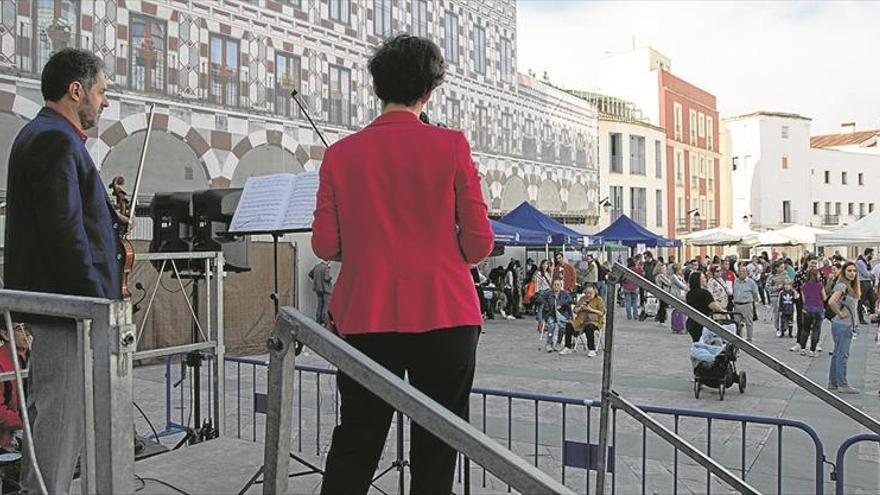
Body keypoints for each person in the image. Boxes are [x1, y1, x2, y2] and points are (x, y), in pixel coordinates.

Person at [311, 35, 494, 495]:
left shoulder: (339, 154)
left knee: (356, 440)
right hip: (446, 314)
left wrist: (366, 246)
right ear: (429, 92)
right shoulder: (452, 146)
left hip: (366, 316)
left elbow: (324, 243)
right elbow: (478, 246)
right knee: (436, 448)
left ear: (377, 89)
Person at [4, 48, 114, 494]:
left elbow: (70, 222)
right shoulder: (55, 139)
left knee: (64, 422)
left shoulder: (48, 135)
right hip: (68, 313)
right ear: (77, 90)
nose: (104, 102)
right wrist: (94, 306)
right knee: (58, 430)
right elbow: (65, 236)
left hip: (64, 310)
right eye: (101, 91)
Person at [826, 262, 861, 394]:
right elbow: (831, 301)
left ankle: (833, 382)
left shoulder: (848, 286)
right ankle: (842, 383)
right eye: (849, 271)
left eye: (854, 271)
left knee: (837, 353)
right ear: (844, 272)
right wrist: (840, 313)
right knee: (842, 354)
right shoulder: (842, 286)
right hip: (843, 325)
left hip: (841, 324)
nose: (852, 273)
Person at [0, 323, 30, 450]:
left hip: (28, 436)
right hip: (5, 443)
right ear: (5, 334)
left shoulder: (37, 357)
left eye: (28, 328)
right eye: (20, 328)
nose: (27, 333)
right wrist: (26, 423)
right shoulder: (1, 362)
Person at [560, 284, 605, 357]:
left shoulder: (599, 300)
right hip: (580, 321)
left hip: (594, 321)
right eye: (587, 293)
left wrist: (591, 309)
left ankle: (591, 349)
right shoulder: (582, 299)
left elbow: (602, 312)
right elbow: (575, 310)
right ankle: (567, 347)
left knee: (589, 327)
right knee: (569, 325)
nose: (588, 295)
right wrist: (580, 308)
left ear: (595, 292)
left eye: (590, 293)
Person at [685, 271, 725, 342]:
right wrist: (722, 310)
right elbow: (713, 306)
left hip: (692, 322)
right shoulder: (705, 293)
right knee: (704, 342)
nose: (705, 279)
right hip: (703, 322)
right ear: (698, 280)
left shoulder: (689, 294)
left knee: (696, 341)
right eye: (703, 278)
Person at [534, 279, 572, 352]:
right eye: (555, 285)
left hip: (562, 314)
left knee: (562, 327)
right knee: (551, 325)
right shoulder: (548, 293)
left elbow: (570, 301)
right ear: (552, 286)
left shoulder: (565, 293)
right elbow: (538, 297)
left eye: (558, 285)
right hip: (550, 314)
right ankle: (549, 343)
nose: (556, 286)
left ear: (561, 286)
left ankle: (559, 342)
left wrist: (561, 304)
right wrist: (546, 304)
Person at [794, 268, 826, 356]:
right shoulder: (820, 285)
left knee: (805, 329)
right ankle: (812, 350)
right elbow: (824, 297)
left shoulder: (804, 286)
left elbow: (803, 299)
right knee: (816, 329)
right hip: (818, 308)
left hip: (807, 308)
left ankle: (803, 349)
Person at [732, 266, 761, 341]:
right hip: (737, 305)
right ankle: (738, 339)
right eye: (740, 271)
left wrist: (754, 302)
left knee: (749, 323)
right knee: (737, 323)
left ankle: (749, 339)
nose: (741, 273)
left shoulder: (751, 282)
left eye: (744, 271)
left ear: (747, 273)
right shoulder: (735, 281)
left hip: (747, 305)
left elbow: (755, 294)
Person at [308, 260, 333, 325]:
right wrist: (331, 277)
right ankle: (325, 321)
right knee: (326, 305)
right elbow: (326, 278)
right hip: (326, 290)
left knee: (319, 305)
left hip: (318, 289)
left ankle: (318, 321)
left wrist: (316, 280)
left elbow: (310, 274)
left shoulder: (317, 266)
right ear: (327, 262)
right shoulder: (326, 268)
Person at [855, 248, 874, 324]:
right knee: (861, 301)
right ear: (868, 254)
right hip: (862, 282)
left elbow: (869, 272)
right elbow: (865, 273)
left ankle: (873, 318)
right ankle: (861, 319)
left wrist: (870, 274)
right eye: (872, 254)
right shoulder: (860, 262)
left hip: (868, 282)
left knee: (872, 300)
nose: (872, 256)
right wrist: (871, 275)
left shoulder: (867, 261)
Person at [670, 264, 689, 334]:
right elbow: (681, 285)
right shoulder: (674, 277)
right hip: (676, 295)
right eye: (680, 270)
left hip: (682, 296)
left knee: (681, 311)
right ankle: (677, 327)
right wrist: (686, 287)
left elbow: (685, 284)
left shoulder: (681, 277)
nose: (682, 271)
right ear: (677, 270)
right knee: (677, 311)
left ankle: (681, 326)